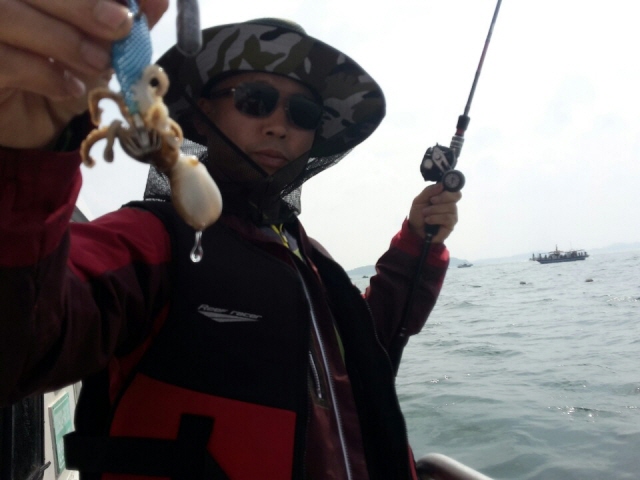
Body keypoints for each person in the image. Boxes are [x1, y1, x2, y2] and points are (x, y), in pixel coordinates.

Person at [0, 1, 461, 479]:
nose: (279, 125)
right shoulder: (152, 238)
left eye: (302, 113)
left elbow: (367, 346)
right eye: (254, 100)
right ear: (203, 114)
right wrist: (21, 158)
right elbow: (25, 339)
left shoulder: (305, 255)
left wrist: (417, 243)